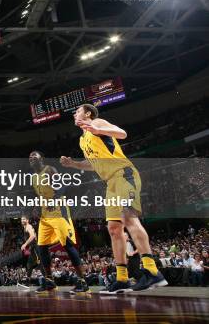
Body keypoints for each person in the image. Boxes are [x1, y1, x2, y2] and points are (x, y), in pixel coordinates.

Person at [60, 104, 167, 294]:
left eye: (77, 111)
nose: (75, 114)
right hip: (110, 183)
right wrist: (74, 164)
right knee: (114, 229)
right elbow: (93, 164)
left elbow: (122, 133)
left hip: (124, 174)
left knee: (128, 219)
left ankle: (152, 271)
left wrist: (98, 129)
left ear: (87, 113)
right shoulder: (82, 140)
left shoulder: (97, 122)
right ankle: (122, 279)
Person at [29, 151, 88, 294]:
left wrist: (53, 201)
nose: (31, 158)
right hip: (45, 216)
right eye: (29, 157)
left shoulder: (49, 170)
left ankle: (82, 281)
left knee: (67, 244)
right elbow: (40, 195)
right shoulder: (33, 177)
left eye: (34, 156)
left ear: (41, 159)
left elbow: (61, 187)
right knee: (41, 247)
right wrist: (36, 207)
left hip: (58, 212)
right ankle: (49, 281)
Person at [20, 216, 42, 285]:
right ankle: (27, 282)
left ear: (27, 220)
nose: (22, 220)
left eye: (24, 219)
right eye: (21, 219)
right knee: (29, 264)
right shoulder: (25, 227)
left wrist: (25, 244)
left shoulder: (28, 226)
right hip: (32, 248)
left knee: (40, 264)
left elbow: (32, 236)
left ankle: (49, 280)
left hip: (35, 247)